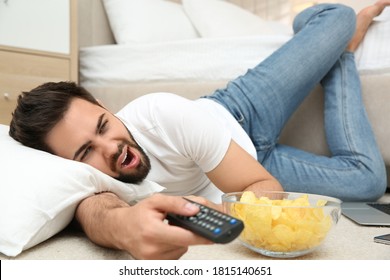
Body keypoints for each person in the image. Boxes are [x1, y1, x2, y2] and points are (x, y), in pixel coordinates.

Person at [9, 2, 390, 259]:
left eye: (104, 125)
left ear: (106, 108)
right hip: (257, 164)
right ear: (67, 165)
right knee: (370, 183)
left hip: (239, 112)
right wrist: (122, 225)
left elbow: (263, 188)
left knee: (337, 15)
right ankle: (343, 55)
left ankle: (325, 33)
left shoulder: (162, 114)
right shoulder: (84, 181)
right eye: (84, 152)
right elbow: (96, 211)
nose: (110, 147)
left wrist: (223, 207)